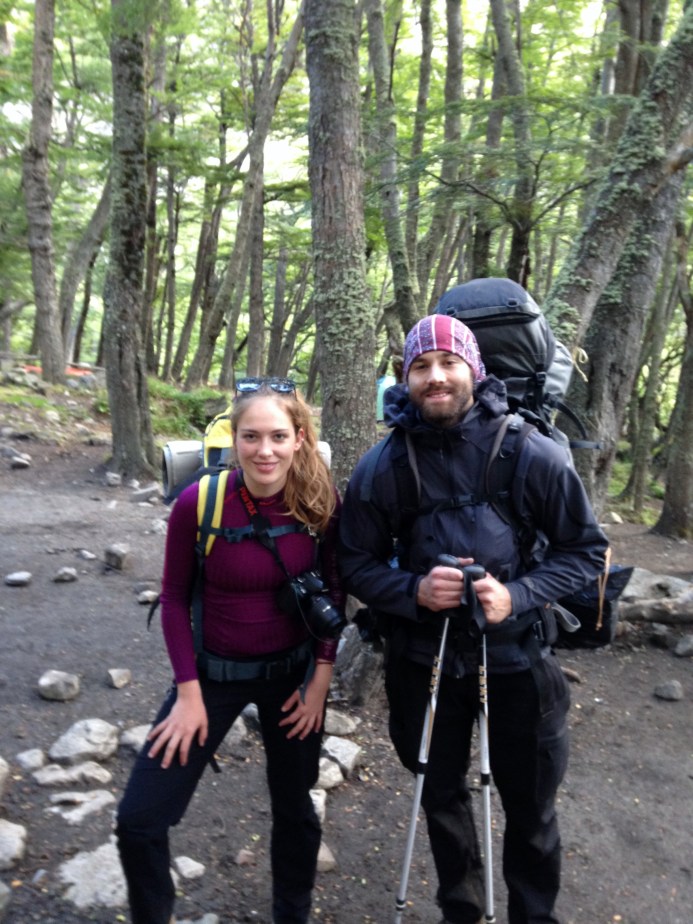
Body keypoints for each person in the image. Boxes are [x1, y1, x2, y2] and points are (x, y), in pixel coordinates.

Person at [339, 315, 608, 924]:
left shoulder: (531, 452)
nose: (435, 377)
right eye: (420, 366)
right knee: (440, 797)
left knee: (531, 807)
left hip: (518, 658)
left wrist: (519, 594)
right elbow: (353, 563)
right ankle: (461, 911)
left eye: (448, 362)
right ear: (405, 378)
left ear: (474, 369)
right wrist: (413, 590)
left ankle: (533, 916)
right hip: (422, 660)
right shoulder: (381, 467)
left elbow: (586, 551)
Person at [116, 376, 345, 924]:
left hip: (292, 680)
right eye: (251, 436)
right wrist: (188, 693)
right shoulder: (199, 503)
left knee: (295, 808)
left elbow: (335, 591)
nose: (265, 450)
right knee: (138, 820)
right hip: (211, 678)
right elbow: (174, 599)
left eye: (278, 436)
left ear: (299, 439)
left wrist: (320, 679)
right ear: (233, 438)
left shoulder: (320, 504)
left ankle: (292, 913)